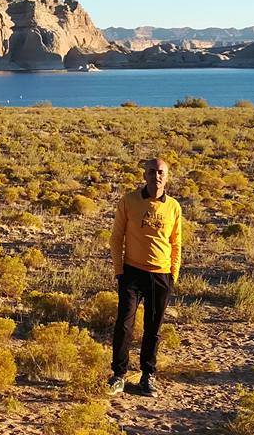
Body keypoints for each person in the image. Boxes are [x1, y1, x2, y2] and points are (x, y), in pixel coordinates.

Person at [107, 158, 183, 397]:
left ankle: (147, 375)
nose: (156, 176)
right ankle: (118, 375)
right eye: (152, 172)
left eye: (160, 172)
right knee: (124, 325)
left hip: (160, 275)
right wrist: (119, 270)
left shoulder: (173, 207)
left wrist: (173, 275)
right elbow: (116, 238)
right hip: (131, 272)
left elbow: (176, 243)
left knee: (153, 328)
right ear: (144, 175)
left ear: (166, 177)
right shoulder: (128, 201)